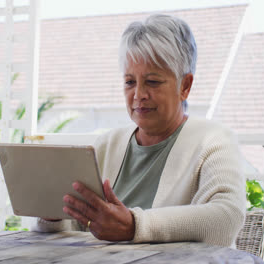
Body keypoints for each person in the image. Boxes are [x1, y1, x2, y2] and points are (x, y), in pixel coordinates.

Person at [32, 14, 246, 247]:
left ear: (184, 86)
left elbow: (227, 217)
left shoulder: (213, 142)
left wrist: (135, 226)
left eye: (152, 82)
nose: (138, 95)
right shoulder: (106, 146)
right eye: (129, 82)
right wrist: (53, 216)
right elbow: (74, 229)